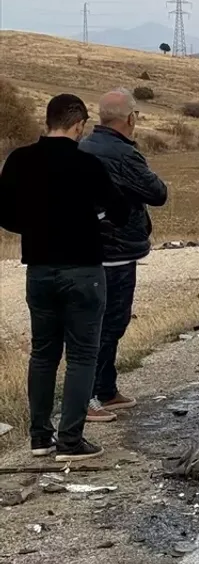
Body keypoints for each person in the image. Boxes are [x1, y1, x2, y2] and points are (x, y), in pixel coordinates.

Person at [0, 94, 128, 460]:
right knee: (82, 355)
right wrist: (95, 221)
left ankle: (40, 437)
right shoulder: (87, 164)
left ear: (48, 120)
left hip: (39, 270)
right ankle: (71, 440)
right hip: (83, 270)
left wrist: (34, 227)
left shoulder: (19, 160)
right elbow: (120, 211)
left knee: (43, 354)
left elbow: (3, 213)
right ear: (78, 124)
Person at [80, 88, 168, 422]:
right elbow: (157, 192)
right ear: (130, 118)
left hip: (90, 248)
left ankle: (106, 389)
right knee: (110, 323)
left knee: (102, 322)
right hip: (115, 250)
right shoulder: (122, 153)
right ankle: (89, 396)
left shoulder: (83, 146)